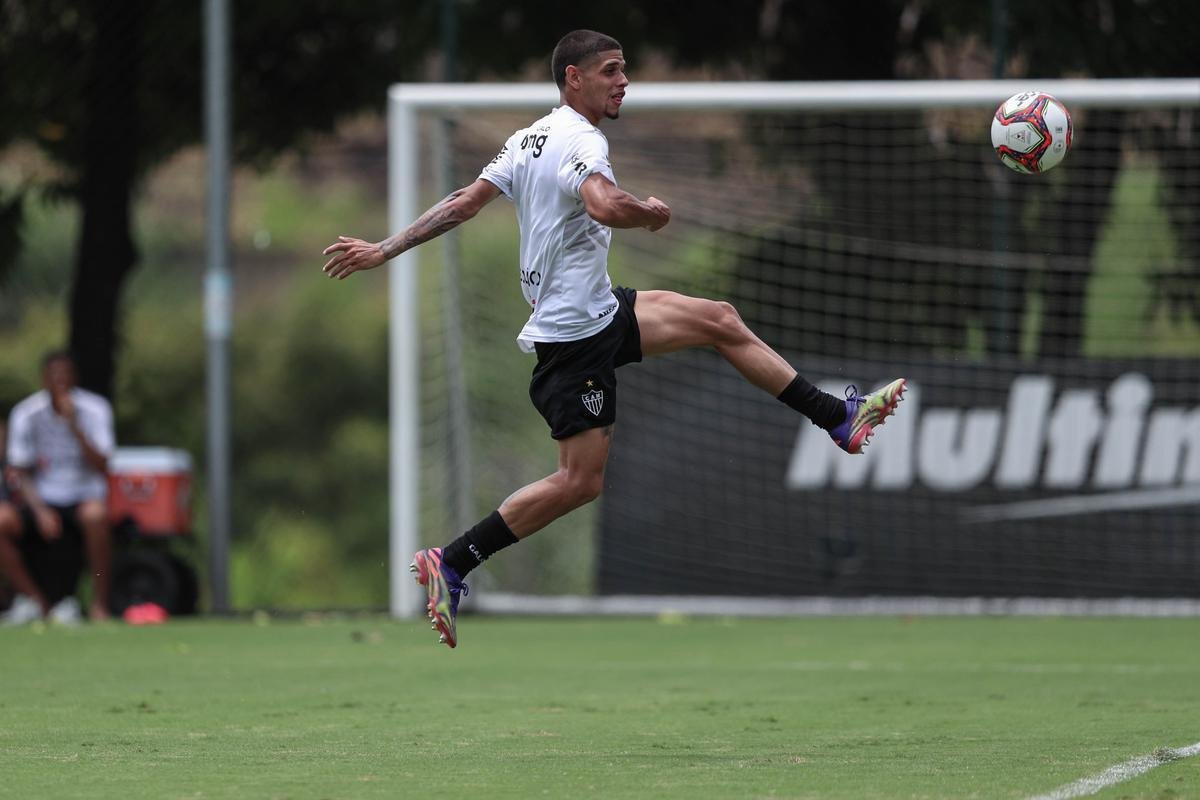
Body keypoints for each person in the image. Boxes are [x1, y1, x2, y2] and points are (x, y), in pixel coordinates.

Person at [321, 30, 907, 648]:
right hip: (575, 339)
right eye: (611, 70)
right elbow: (602, 204)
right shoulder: (580, 138)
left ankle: (837, 417)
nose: (623, 80)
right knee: (580, 482)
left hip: (598, 311)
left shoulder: (528, 138)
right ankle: (454, 561)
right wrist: (648, 213)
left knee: (720, 320)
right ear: (574, 78)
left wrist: (384, 248)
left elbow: (463, 204)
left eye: (624, 70)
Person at [0, 351, 114, 623]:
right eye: (55, 375)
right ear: (44, 379)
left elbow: (102, 465)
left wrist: (74, 425)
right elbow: (19, 469)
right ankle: (38, 603)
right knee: (1, 519)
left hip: (83, 494)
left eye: (66, 374)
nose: (61, 380)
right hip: (41, 496)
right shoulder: (26, 413)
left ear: (75, 377)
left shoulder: (95, 409)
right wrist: (39, 511)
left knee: (96, 516)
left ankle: (99, 603)